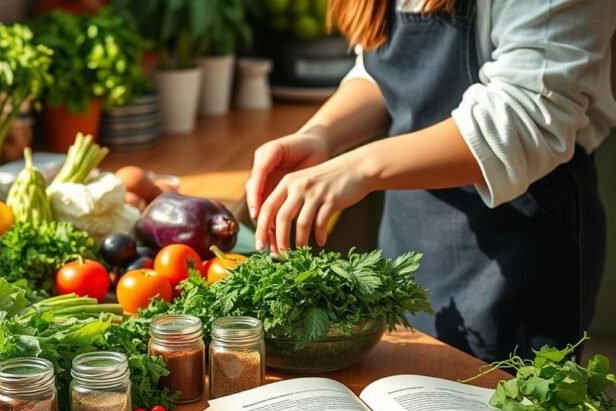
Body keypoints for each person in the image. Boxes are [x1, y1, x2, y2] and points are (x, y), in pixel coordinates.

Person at [246, 0, 615, 361]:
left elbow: (525, 115)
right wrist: (321, 135)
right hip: (409, 233)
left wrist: (356, 168)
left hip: (514, 249)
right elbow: (380, 66)